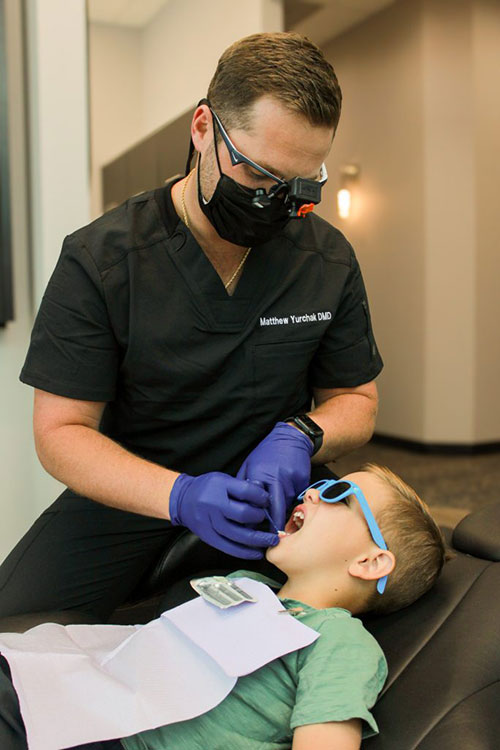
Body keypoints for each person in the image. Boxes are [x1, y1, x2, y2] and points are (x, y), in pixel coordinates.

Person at [0, 32, 384, 623]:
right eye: (258, 176)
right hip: (138, 487)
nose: (276, 205)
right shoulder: (102, 260)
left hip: (275, 496)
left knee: (319, 627)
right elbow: (61, 432)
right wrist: (178, 496)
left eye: (301, 187)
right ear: (203, 127)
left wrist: (301, 436)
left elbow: (355, 400)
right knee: (15, 632)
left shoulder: (325, 259)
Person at [0, 464, 447, 749]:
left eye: (338, 496)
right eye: (321, 484)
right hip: (86, 701)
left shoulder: (339, 641)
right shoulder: (245, 584)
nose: (312, 492)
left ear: (370, 561)